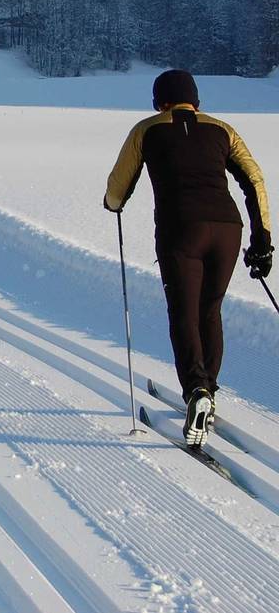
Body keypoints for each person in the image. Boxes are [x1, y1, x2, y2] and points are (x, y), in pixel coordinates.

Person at [104, 69, 271, 446]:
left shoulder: (146, 130)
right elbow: (254, 179)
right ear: (196, 100)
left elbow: (117, 189)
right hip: (227, 228)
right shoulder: (223, 130)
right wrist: (262, 240)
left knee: (183, 311)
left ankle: (197, 390)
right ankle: (208, 389)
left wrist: (113, 204)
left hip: (180, 229)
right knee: (210, 310)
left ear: (158, 101)